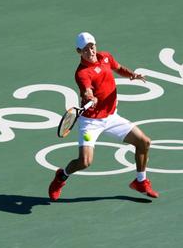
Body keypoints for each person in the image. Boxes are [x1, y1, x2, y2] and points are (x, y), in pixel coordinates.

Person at [48, 32, 159, 201]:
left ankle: (141, 181)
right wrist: (90, 96)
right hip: (90, 123)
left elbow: (118, 68)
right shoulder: (82, 73)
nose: (90, 51)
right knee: (85, 162)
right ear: (79, 51)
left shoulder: (105, 57)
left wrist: (132, 75)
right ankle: (61, 176)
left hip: (112, 117)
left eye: (92, 47)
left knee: (144, 142)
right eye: (85, 49)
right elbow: (87, 89)